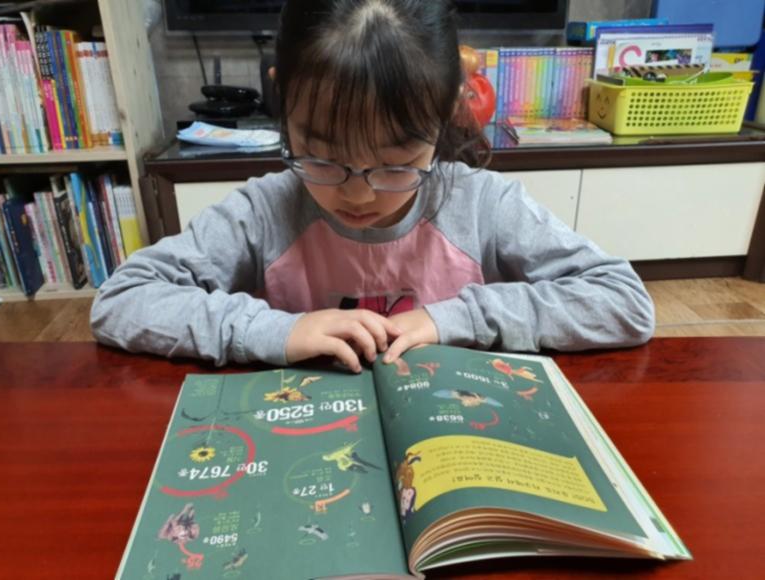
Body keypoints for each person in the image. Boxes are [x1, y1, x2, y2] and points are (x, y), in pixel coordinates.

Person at [90, 0, 654, 373]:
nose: (358, 195)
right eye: (321, 156)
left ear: (447, 112)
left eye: (396, 163)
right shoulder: (264, 211)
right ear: (282, 99)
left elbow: (624, 301)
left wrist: (455, 319)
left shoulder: (482, 205)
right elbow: (122, 299)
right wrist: (277, 331)